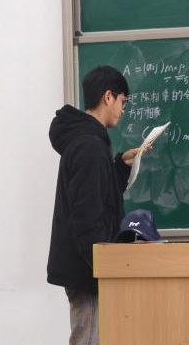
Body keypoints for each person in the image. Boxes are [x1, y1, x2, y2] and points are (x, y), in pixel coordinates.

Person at [47, 65, 146, 345]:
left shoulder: (89, 142)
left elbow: (98, 196)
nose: (123, 109)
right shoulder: (89, 146)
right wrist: (103, 268)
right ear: (108, 97)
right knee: (89, 340)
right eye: (123, 101)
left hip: (88, 268)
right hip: (88, 273)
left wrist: (120, 166)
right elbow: (86, 218)